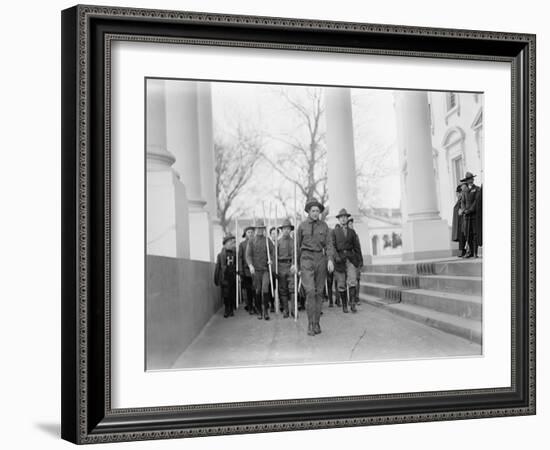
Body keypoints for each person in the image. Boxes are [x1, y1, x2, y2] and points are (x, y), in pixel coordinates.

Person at [296, 198, 334, 336]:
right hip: (306, 259)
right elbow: (296, 247)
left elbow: (329, 244)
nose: (315, 213)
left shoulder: (324, 226)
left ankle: (317, 322)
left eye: (318, 211)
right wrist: (296, 264)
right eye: (313, 210)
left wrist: (330, 260)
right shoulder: (302, 226)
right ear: (308, 212)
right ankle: (310, 323)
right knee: (310, 291)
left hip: (320, 259)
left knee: (319, 292)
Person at [331, 209, 363, 313]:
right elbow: (332, 247)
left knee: (352, 281)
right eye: (341, 217)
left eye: (345, 217)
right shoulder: (334, 232)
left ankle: (352, 304)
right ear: (339, 219)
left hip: (350, 259)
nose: (343, 219)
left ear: (347, 218)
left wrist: (359, 260)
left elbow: (357, 247)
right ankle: (344, 305)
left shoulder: (352, 232)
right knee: (341, 283)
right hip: (339, 260)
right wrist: (336, 257)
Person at [246, 220, 275, 320]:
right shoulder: (251, 241)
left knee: (265, 288)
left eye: (262, 228)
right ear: (255, 229)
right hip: (256, 270)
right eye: (258, 228)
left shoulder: (267, 240)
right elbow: (248, 255)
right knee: (258, 290)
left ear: (264, 229)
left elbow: (273, 252)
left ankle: (266, 311)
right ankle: (259, 310)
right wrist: (250, 265)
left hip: (265, 269)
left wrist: (271, 260)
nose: (260, 230)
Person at [275, 218, 296, 318]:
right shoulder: (278, 242)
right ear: (282, 230)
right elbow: (274, 257)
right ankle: (285, 310)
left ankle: (293, 310)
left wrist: (294, 264)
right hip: (281, 267)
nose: (286, 230)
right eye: (284, 229)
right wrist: (276, 269)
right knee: (282, 289)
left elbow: (296, 255)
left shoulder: (293, 242)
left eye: (288, 228)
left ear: (290, 230)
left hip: (291, 266)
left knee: (292, 288)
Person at [214, 234, 237, 318]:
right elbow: (218, 267)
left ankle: (231, 309)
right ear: (225, 244)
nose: (232, 244)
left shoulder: (235, 254)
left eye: (233, 242)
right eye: (230, 242)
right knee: (226, 294)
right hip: (225, 277)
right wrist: (216, 278)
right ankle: (227, 309)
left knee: (232, 293)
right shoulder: (220, 255)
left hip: (232, 276)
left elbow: (237, 265)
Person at [460, 172, 483, 258]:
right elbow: (462, 201)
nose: (470, 180)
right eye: (468, 179)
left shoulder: (477, 189)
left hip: (474, 215)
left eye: (471, 179)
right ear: (467, 180)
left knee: (475, 233)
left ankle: (475, 253)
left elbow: (476, 201)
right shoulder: (464, 190)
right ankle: (470, 252)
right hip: (466, 215)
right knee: (467, 234)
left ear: (473, 179)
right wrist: (463, 210)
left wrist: (469, 210)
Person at [239, 226, 257, 315]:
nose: (250, 234)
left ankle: (256, 306)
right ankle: (250, 307)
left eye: (251, 232)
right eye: (248, 232)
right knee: (248, 290)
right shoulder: (242, 244)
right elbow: (240, 258)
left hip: (256, 270)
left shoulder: (256, 242)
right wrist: (240, 271)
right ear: (245, 234)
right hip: (246, 271)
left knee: (256, 289)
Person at [347, 216, 362, 305]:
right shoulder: (346, 236)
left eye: (352, 224)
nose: (351, 225)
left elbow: (359, 248)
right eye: (350, 224)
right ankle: (351, 299)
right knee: (351, 280)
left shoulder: (356, 235)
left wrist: (361, 261)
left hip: (357, 260)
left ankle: (357, 297)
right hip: (350, 260)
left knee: (358, 279)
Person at [451, 183, 467, 257]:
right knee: (461, 237)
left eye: (458, 193)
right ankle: (462, 251)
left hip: (462, 221)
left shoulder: (463, 200)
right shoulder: (459, 200)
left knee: (463, 237)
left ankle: (464, 251)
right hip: (459, 222)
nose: (457, 195)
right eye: (457, 193)